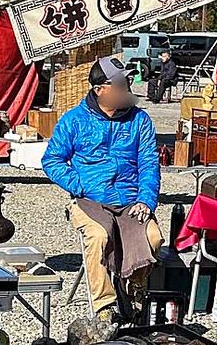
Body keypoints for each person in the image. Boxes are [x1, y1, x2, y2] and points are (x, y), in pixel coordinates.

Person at [43, 57, 162, 328]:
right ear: (100, 89)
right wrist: (79, 185)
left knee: (153, 237)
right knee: (98, 236)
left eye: (128, 82)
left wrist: (146, 199)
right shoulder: (74, 120)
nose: (127, 88)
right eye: (121, 83)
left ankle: (134, 290)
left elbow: (148, 163)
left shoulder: (139, 120)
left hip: (131, 198)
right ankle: (105, 305)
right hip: (90, 198)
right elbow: (52, 160)